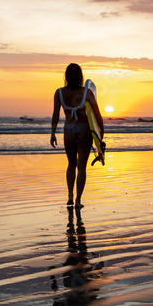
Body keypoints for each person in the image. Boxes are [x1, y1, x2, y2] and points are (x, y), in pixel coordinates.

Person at [50, 63, 104, 207]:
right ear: (80, 76)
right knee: (81, 167)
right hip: (84, 131)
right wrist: (101, 133)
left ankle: (69, 196)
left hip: (69, 130)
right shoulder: (87, 93)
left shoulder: (59, 93)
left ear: (66, 76)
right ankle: (78, 201)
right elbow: (97, 116)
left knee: (71, 164)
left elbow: (55, 114)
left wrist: (53, 133)